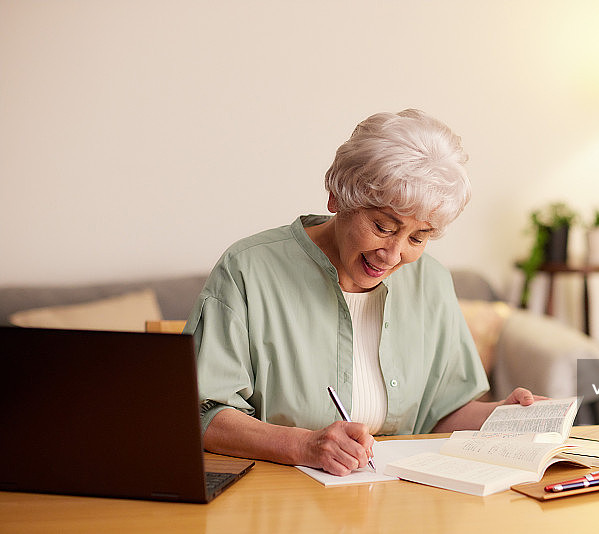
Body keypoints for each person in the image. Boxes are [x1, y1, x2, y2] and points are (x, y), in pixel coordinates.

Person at [185, 109, 540, 476]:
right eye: (383, 226)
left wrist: (504, 418)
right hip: (278, 497)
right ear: (338, 197)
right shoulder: (248, 270)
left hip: (398, 498)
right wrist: (303, 446)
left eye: (418, 237)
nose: (393, 254)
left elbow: (442, 412)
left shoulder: (430, 281)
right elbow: (202, 415)